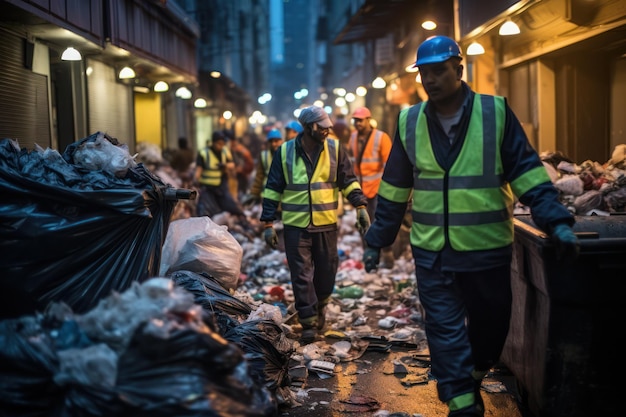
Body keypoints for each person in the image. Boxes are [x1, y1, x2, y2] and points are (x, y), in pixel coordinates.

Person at [362, 36, 579, 417]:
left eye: (439, 71)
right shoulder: (410, 121)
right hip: (432, 252)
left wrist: (556, 220)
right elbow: (395, 186)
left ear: (459, 70)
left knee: (491, 326)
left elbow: (527, 172)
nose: (430, 80)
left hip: (487, 249)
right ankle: (463, 402)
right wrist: (377, 238)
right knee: (444, 331)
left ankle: (474, 374)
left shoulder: (494, 113)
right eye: (424, 73)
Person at [260, 106, 370, 344]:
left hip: (326, 223)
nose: (327, 130)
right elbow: (273, 189)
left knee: (327, 272)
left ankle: (320, 306)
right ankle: (308, 322)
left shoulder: (335, 149)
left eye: (329, 126)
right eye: (322, 127)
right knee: (301, 274)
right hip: (295, 225)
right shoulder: (285, 152)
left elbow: (348, 181)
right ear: (309, 127)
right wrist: (268, 222)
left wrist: (360, 206)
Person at [348, 106, 394, 267]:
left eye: (360, 120)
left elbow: (390, 166)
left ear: (368, 120)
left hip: (377, 188)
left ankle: (385, 253)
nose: (357, 124)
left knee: (378, 222)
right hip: (360, 190)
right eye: (355, 120)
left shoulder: (381, 138)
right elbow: (353, 162)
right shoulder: (353, 137)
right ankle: (368, 254)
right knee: (363, 222)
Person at [195, 131, 245, 218]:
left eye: (223, 143)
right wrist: (195, 180)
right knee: (205, 209)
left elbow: (232, 164)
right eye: (219, 143)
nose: (221, 146)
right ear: (213, 142)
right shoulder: (204, 153)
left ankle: (241, 217)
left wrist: (225, 165)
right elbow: (199, 169)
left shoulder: (225, 151)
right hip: (207, 187)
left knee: (230, 205)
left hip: (221, 185)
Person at [243, 128, 283, 206]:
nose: (274, 144)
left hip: (283, 197)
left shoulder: (287, 154)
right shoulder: (264, 156)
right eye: (271, 141)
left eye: (277, 141)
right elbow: (259, 177)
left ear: (282, 141)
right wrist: (254, 193)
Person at [223, 129, 254, 201]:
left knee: (238, 199)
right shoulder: (227, 150)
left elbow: (249, 165)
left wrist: (241, 170)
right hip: (231, 179)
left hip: (239, 179)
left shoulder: (239, 150)